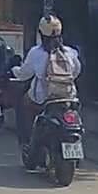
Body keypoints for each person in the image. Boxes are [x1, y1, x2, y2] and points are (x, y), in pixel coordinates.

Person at [12, 14, 82, 149]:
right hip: (69, 98)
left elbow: (24, 75)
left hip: (43, 100)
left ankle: (27, 143)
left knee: (23, 104)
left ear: (41, 34)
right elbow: (77, 71)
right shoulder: (70, 53)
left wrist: (14, 69)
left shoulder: (35, 53)